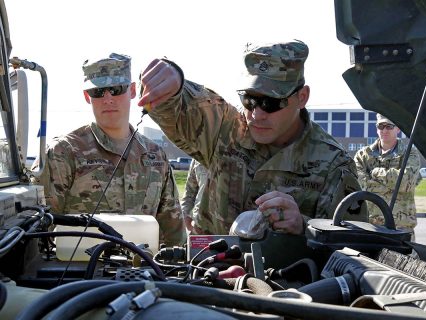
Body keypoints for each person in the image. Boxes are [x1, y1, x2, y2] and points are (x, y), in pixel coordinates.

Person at [138, 39, 367, 235]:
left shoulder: (334, 164)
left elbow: (353, 246)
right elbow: (174, 106)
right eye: (250, 100)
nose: (256, 114)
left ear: (302, 97)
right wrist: (172, 78)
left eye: (271, 103)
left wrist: (303, 226)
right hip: (209, 278)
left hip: (289, 284)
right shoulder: (226, 130)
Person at [32, 53, 186, 247]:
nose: (108, 99)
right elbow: (39, 232)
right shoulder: (62, 153)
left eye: (116, 89)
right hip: (81, 272)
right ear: (87, 96)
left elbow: (173, 233)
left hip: (143, 272)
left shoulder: (155, 156)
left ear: (131, 90)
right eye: (98, 92)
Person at [354, 113, 421, 235]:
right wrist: (392, 184)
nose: (384, 130)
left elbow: (406, 183)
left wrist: (375, 173)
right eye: (381, 126)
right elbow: (360, 186)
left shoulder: (409, 154)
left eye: (389, 126)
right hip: (370, 226)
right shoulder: (363, 155)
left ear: (398, 128)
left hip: (400, 227)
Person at [180, 159, 208, 234]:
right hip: (200, 225)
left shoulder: (239, 152)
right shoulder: (198, 158)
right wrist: (184, 215)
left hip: (233, 226)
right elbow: (189, 191)